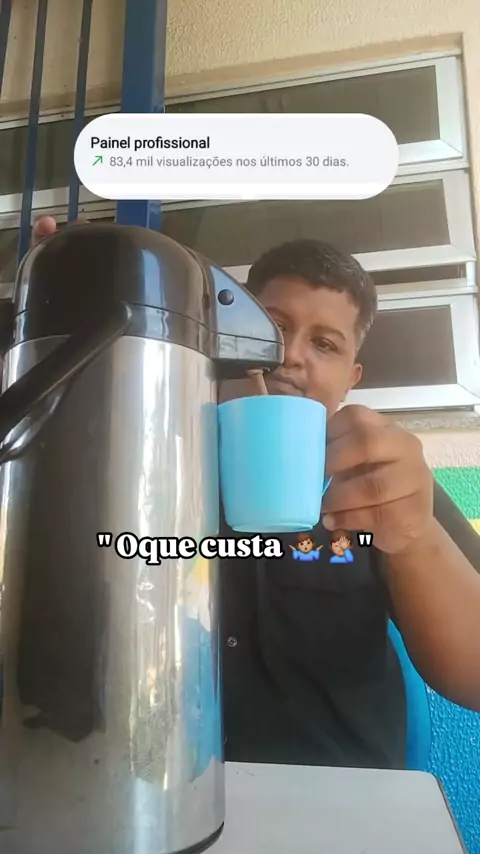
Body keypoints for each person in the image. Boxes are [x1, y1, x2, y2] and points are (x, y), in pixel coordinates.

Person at [28, 217, 480, 770]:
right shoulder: (141, 450)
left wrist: (414, 538)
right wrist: (69, 329)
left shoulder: (383, 479)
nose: (289, 354)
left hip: (334, 794)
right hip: (143, 782)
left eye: (324, 344)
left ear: (351, 379)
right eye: (271, 326)